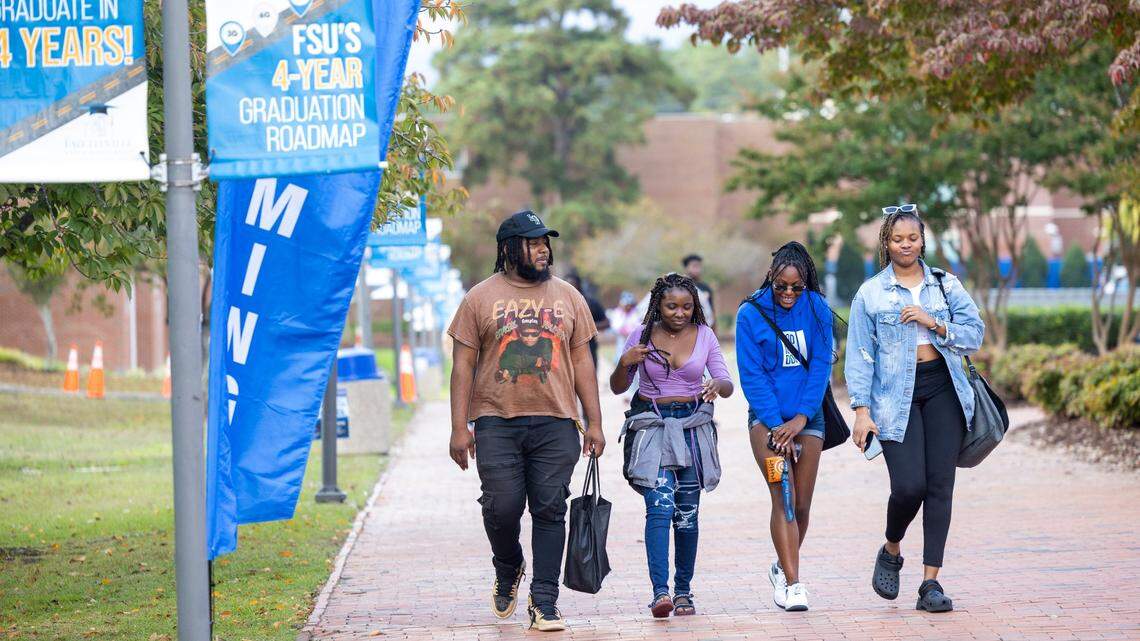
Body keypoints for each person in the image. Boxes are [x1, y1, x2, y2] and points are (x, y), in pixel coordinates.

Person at [447, 209, 607, 632]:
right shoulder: (478, 298)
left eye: (545, 243)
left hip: (556, 420)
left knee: (550, 509)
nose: (543, 250)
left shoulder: (568, 296)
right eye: (533, 242)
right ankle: (508, 564)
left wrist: (594, 421)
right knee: (501, 507)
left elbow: (581, 360)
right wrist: (458, 427)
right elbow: (462, 365)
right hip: (496, 419)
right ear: (508, 249)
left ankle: (545, 601)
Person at [844, 204, 985, 613]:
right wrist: (861, 409)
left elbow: (974, 332)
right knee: (909, 487)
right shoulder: (870, 293)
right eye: (897, 239)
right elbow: (859, 355)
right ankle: (891, 547)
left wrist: (934, 322)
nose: (906, 245)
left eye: (912, 238)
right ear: (886, 244)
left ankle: (930, 584)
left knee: (940, 486)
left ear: (922, 239)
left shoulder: (944, 284)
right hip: (893, 399)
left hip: (944, 390)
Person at [609, 273, 734, 619]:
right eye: (671, 306)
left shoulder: (705, 335)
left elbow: (726, 382)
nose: (680, 313)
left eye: (687, 306)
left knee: (687, 516)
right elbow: (618, 386)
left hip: (693, 428)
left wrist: (716, 385)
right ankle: (660, 592)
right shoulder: (642, 335)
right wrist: (626, 361)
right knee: (660, 508)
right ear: (657, 306)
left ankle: (684, 592)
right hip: (653, 427)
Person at [735, 241, 837, 613]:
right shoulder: (751, 313)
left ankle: (781, 565)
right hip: (767, 422)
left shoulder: (817, 308)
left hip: (808, 419)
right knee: (785, 497)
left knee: (804, 505)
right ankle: (794, 585)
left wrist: (800, 419)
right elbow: (752, 374)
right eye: (782, 286)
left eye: (797, 287)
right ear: (771, 278)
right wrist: (778, 425)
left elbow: (822, 365)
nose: (789, 294)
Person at [565, 270, 610, 366]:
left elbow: (606, 323)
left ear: (579, 285)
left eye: (573, 285)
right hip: (566, 350)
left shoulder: (590, 303)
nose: (570, 288)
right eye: (567, 285)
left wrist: (588, 326)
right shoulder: (560, 304)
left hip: (588, 348)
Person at [682, 254, 716, 330]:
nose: (697, 269)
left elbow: (711, 311)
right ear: (686, 268)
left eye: (699, 266)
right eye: (694, 266)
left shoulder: (705, 288)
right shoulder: (680, 287)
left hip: (703, 327)